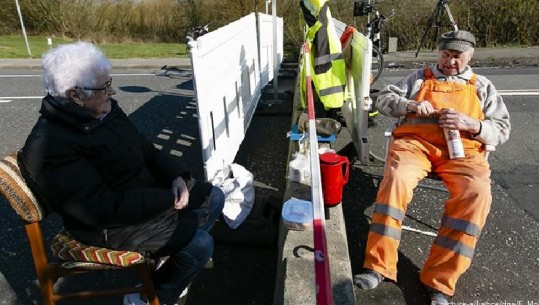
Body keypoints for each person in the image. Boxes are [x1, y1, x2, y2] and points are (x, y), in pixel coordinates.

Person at [18, 41, 224, 305]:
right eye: (104, 87)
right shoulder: (50, 146)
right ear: (75, 96)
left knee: (213, 196)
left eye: (109, 82)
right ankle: (147, 296)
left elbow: (147, 150)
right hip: (106, 226)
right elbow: (101, 209)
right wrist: (166, 200)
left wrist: (176, 177)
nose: (112, 91)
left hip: (138, 199)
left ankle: (171, 265)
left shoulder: (102, 112)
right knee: (199, 245)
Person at [353, 30, 510, 304]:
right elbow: (384, 100)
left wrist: (474, 125)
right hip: (416, 147)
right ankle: (377, 265)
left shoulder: (481, 85)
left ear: (469, 56)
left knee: (477, 194)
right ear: (439, 53)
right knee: (396, 179)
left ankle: (439, 281)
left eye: (457, 57)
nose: (450, 62)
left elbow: (502, 129)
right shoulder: (418, 78)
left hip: (462, 153)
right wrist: (409, 104)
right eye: (446, 55)